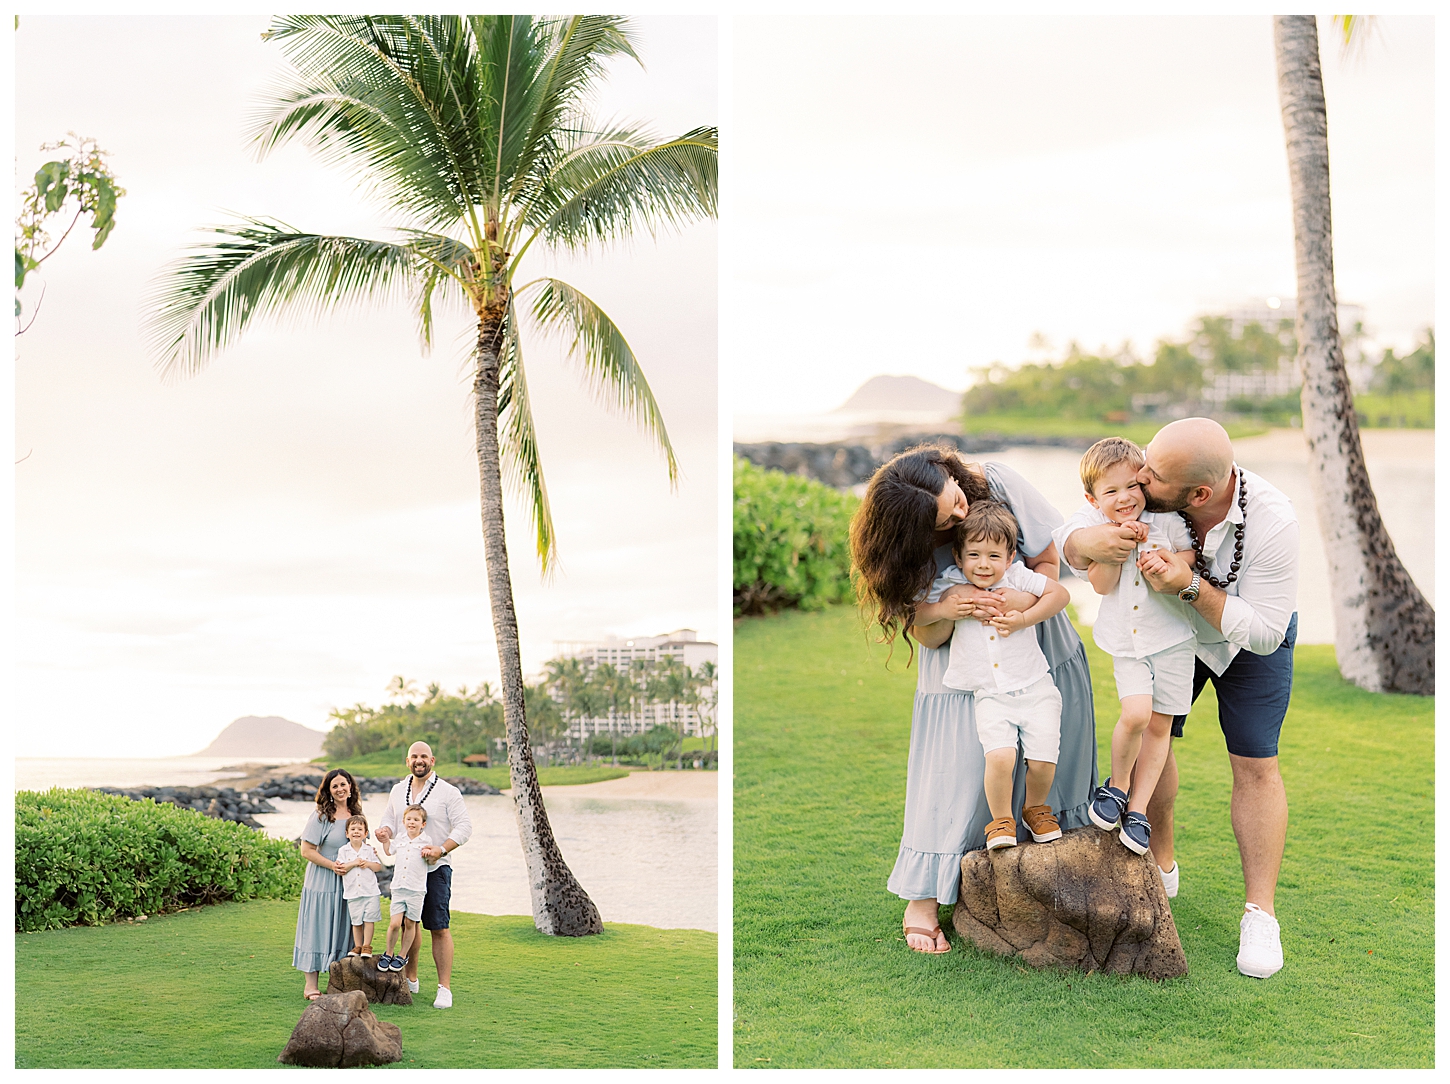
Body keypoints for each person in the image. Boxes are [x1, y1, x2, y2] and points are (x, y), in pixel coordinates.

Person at [1058, 417, 1298, 979]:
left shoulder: (1273, 522)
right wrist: (1089, 542)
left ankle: (1260, 913)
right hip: (1165, 636)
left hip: (1244, 639)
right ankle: (1159, 864)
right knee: (1150, 736)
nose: (1140, 477)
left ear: (1199, 495)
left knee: (1256, 764)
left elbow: (1265, 631)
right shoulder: (1150, 496)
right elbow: (1080, 522)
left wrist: (1189, 587)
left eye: (1152, 472)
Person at [850, 443, 1098, 956]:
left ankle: (1045, 875)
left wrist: (1023, 602)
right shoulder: (906, 543)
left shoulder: (998, 482)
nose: (960, 510)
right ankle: (924, 895)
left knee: (1048, 755)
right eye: (946, 519)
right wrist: (944, 608)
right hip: (959, 668)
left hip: (1037, 646)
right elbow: (928, 636)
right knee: (957, 771)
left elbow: (1051, 560)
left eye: (956, 496)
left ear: (948, 472)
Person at [1063, 437, 1197, 857]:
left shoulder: (1167, 521)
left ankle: (1138, 811)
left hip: (1174, 640)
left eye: (1131, 487)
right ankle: (1118, 787)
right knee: (1136, 713)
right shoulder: (1099, 534)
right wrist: (1115, 547)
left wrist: (1167, 560)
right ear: (1093, 498)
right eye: (1111, 491)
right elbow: (1101, 586)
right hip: (1128, 642)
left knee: (1160, 728)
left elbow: (1192, 555)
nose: (1124, 498)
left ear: (1144, 483)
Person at [937, 501, 1070, 850]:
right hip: (990, 694)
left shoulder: (1019, 579)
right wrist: (946, 606)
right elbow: (919, 614)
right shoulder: (949, 583)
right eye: (974, 555)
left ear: (1010, 557)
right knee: (999, 757)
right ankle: (1001, 821)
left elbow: (1061, 593)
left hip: (1035, 686)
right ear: (958, 556)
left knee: (1042, 759)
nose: (984, 564)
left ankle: (1035, 808)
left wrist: (1024, 616)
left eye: (994, 556)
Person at [376, 741, 473, 1008]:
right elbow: (390, 821)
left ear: (433, 760)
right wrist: (384, 832)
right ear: (408, 761)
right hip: (406, 872)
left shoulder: (448, 792)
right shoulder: (398, 790)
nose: (419, 760)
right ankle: (411, 978)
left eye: (424, 757)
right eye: (414, 756)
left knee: (439, 927)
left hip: (436, 869)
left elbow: (464, 827)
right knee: (409, 924)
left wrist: (441, 850)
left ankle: (444, 988)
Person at [293, 768, 362, 999]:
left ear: (350, 787)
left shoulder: (356, 813)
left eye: (344, 784)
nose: (340, 789)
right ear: (328, 791)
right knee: (318, 927)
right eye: (335, 786)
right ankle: (310, 986)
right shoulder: (321, 815)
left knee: (345, 926)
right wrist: (332, 866)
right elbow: (306, 850)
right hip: (322, 880)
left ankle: (340, 980)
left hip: (349, 882)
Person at [377, 804, 430, 973]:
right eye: (409, 819)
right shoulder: (400, 838)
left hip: (416, 890)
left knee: (410, 923)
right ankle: (389, 953)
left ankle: (402, 955)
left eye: (416, 819)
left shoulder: (426, 842)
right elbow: (388, 852)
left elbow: (432, 861)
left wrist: (431, 855)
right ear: (403, 821)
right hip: (399, 888)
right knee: (394, 923)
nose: (412, 822)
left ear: (423, 824)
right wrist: (385, 841)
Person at [336, 814, 384, 958]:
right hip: (352, 892)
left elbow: (378, 867)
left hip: (370, 892)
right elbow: (341, 868)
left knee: (369, 920)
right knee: (356, 921)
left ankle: (366, 946)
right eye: (353, 829)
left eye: (359, 829)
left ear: (365, 833)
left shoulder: (369, 850)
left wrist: (367, 863)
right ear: (347, 833)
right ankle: (358, 946)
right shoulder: (343, 851)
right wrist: (354, 863)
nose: (356, 832)